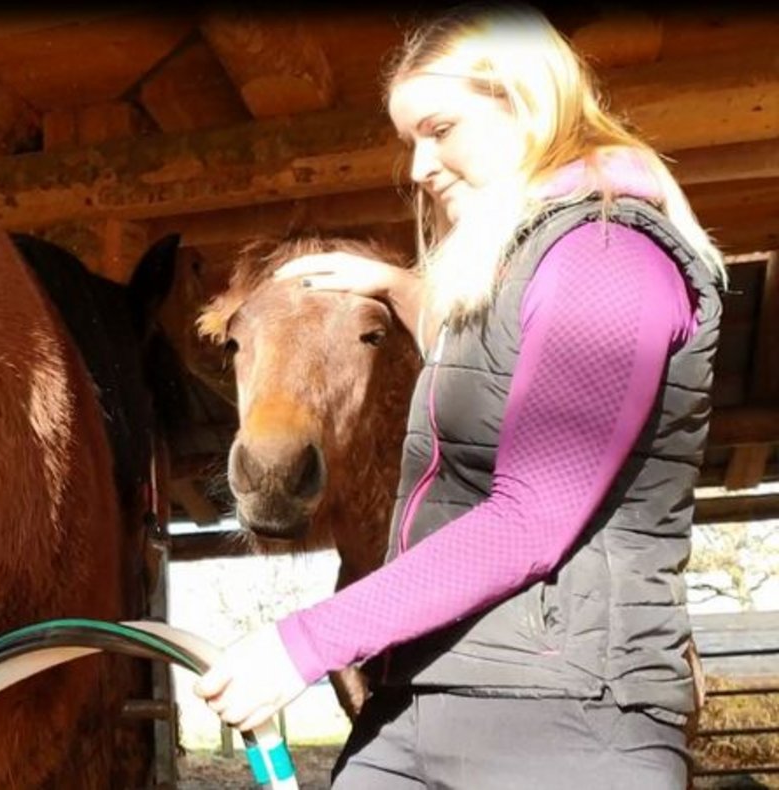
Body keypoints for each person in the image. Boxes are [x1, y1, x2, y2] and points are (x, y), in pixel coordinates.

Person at [191, 4, 726, 787]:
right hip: (428, 690)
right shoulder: (528, 264)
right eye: (411, 141)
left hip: (562, 718)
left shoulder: (611, 256)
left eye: (439, 129)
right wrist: (397, 288)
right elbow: (499, 359)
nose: (418, 167)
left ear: (525, 102)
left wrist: (301, 644)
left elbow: (532, 518)